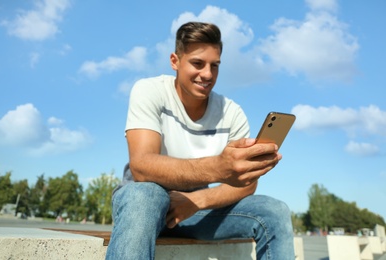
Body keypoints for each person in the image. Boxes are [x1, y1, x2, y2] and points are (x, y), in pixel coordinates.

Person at [106, 21, 295, 260]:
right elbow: (142, 166)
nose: (207, 74)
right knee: (145, 195)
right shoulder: (149, 90)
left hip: (194, 212)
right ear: (175, 61)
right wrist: (218, 167)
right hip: (141, 207)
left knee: (274, 211)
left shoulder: (232, 112)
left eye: (214, 66)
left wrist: (195, 201)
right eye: (197, 63)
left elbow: (247, 184)